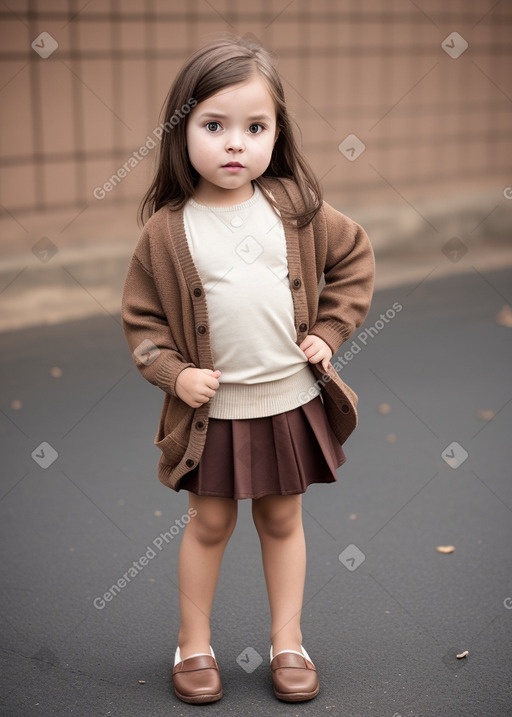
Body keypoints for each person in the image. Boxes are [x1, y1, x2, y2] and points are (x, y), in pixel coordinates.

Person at [121, 34, 375, 705]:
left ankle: (288, 641)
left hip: (288, 401)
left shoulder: (294, 208)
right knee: (209, 523)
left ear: (276, 134)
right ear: (181, 134)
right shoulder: (167, 231)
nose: (236, 144)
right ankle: (193, 643)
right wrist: (175, 375)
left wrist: (328, 330)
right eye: (214, 126)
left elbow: (353, 259)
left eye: (255, 127)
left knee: (283, 520)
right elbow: (143, 325)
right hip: (215, 412)